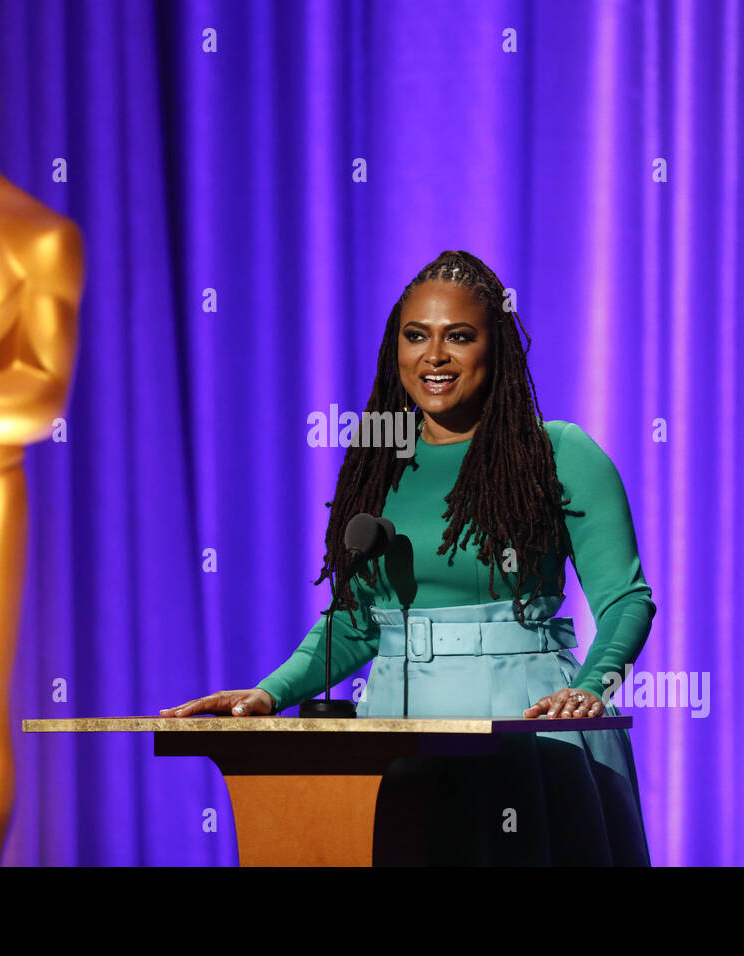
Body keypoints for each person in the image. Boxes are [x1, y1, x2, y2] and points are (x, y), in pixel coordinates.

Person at [161, 250, 656, 865]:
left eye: (460, 337)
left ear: (496, 346)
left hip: (530, 724)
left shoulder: (560, 451)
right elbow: (358, 620)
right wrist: (267, 695)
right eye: (416, 335)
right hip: (395, 731)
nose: (435, 356)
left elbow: (627, 599)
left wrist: (591, 690)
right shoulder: (378, 457)